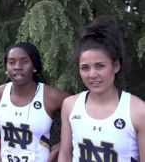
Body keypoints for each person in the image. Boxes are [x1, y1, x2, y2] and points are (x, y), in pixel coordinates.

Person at [58, 16, 145, 161]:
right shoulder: (70, 105)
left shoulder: (138, 111)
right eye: (85, 68)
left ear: (115, 66)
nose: (92, 74)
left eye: (100, 66)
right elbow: (65, 153)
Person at [0, 42, 69, 162]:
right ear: (6, 68)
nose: (17, 66)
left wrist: (60, 147)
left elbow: (83, 114)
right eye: (11, 62)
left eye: (24, 61)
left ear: (34, 66)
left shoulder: (51, 96)